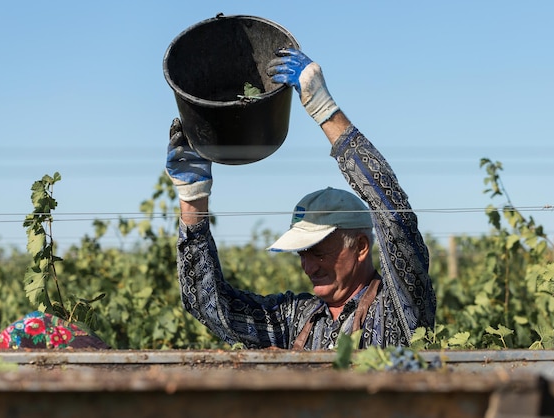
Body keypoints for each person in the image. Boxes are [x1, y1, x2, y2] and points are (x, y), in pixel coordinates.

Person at [166, 48, 436, 350]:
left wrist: (324, 108)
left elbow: (394, 216)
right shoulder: (297, 319)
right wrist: (193, 200)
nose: (308, 267)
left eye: (318, 253)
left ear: (361, 247)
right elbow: (210, 307)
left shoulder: (399, 306)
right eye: (303, 254)